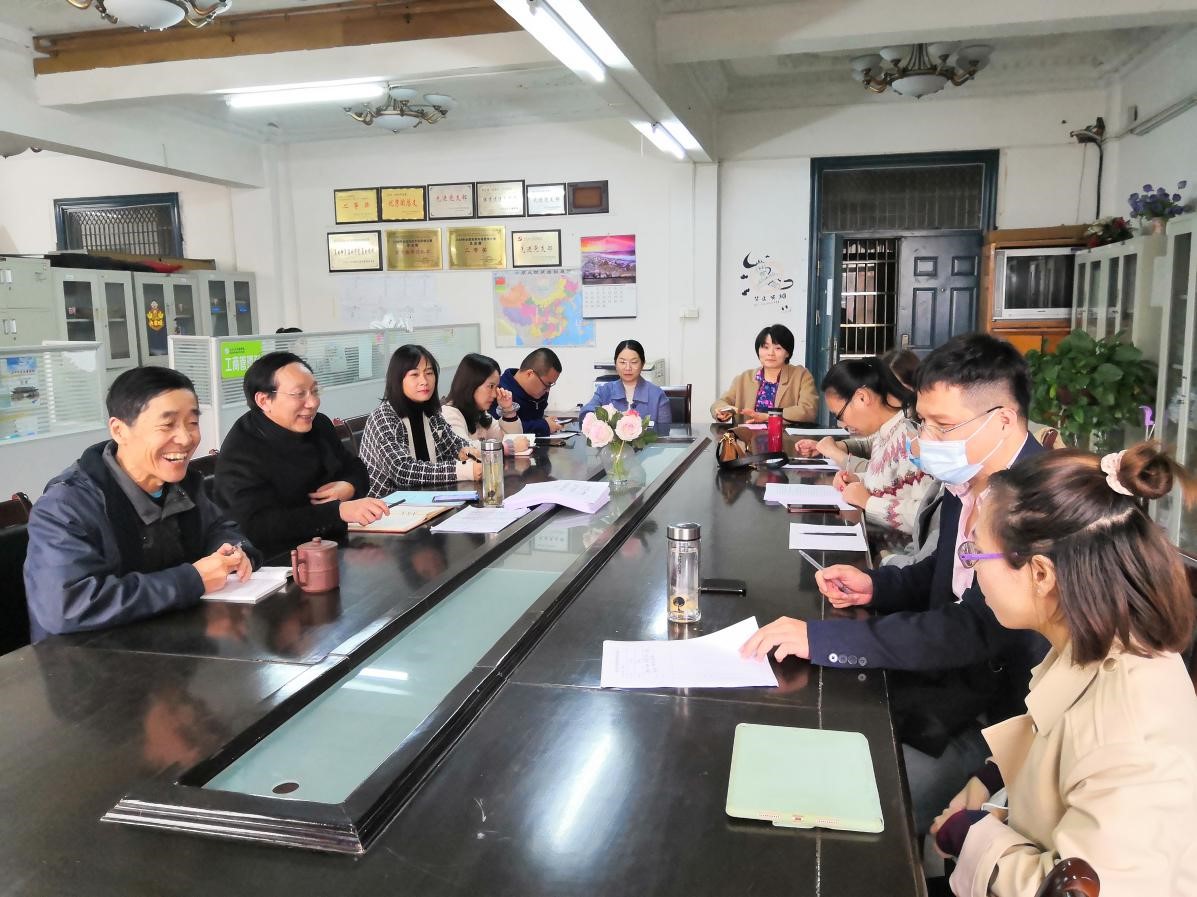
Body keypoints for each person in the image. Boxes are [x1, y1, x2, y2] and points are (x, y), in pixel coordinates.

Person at [740, 333, 1049, 835]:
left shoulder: (1040, 505)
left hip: (999, 722)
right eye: (923, 421)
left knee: (848, 794)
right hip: (946, 682)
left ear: (1003, 421)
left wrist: (822, 637)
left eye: (943, 426)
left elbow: (972, 628)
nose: (925, 440)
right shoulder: (971, 478)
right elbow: (941, 574)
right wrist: (875, 586)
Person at [930, 443, 1197, 897]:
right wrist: (991, 778)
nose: (971, 569)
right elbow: (1051, 734)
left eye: (977, 553)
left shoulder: (1129, 727)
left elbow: (1082, 887)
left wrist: (971, 834)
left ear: (1040, 574)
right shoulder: (1098, 641)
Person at [24, 367, 258, 641]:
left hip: (171, 641)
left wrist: (233, 552)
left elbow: (220, 528)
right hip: (90, 657)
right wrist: (192, 580)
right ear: (119, 430)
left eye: (192, 423)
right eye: (167, 425)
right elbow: (67, 606)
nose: (186, 438)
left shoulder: (182, 485)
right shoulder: (67, 506)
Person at [216, 351, 387, 558]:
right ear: (264, 400)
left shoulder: (319, 425)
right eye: (299, 394)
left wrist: (348, 486)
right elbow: (257, 526)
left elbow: (355, 467)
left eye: (314, 391)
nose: (312, 402)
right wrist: (337, 512)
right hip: (280, 560)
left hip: (336, 545)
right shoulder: (242, 450)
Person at [794, 357, 934, 537]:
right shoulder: (885, 430)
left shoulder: (913, 437)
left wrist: (868, 503)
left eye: (839, 416)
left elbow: (927, 515)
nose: (842, 425)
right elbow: (891, 481)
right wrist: (858, 479)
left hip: (896, 549)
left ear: (862, 397)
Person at [359, 344, 482, 493]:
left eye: (429, 373)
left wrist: (466, 451)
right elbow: (402, 471)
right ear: (398, 379)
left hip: (432, 498)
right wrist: (462, 470)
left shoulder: (431, 413)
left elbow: (454, 444)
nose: (424, 381)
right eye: (414, 374)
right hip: (388, 503)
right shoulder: (384, 418)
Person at [710, 324, 817, 424]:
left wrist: (769, 417)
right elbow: (720, 402)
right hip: (748, 436)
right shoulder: (744, 378)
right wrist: (722, 411)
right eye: (765, 347)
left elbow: (808, 411)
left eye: (778, 348)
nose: (770, 353)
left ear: (787, 353)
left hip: (784, 436)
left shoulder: (801, 376)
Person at [580, 339, 672, 436]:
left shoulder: (657, 395)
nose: (628, 368)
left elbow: (664, 433)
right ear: (615, 364)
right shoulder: (604, 391)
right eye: (622, 362)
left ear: (642, 364)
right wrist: (608, 418)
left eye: (634, 362)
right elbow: (586, 414)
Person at [441, 352, 524, 446]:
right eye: (491, 386)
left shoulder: (481, 413)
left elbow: (514, 440)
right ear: (471, 384)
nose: (495, 394)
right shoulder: (449, 413)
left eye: (496, 387)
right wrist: (508, 446)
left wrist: (508, 410)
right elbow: (465, 449)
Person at [498, 348, 565, 436]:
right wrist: (544, 426)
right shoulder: (500, 392)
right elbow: (500, 428)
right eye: (547, 384)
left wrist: (548, 422)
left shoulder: (541, 393)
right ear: (530, 374)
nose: (548, 390)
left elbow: (533, 421)